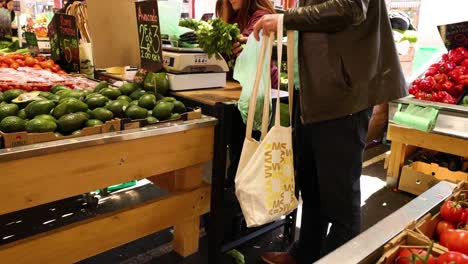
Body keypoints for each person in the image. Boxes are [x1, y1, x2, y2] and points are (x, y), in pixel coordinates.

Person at [253, 1, 406, 264]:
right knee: (312, 185)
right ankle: (305, 253)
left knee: (340, 199)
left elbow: (349, 8)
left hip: (342, 93)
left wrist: (286, 19)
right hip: (316, 92)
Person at [222, 0, 277, 188]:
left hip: (257, 96)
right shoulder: (232, 16)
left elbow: (255, 48)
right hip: (237, 94)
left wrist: (246, 47)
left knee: (246, 160)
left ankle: (243, 210)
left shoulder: (261, 17)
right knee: (239, 156)